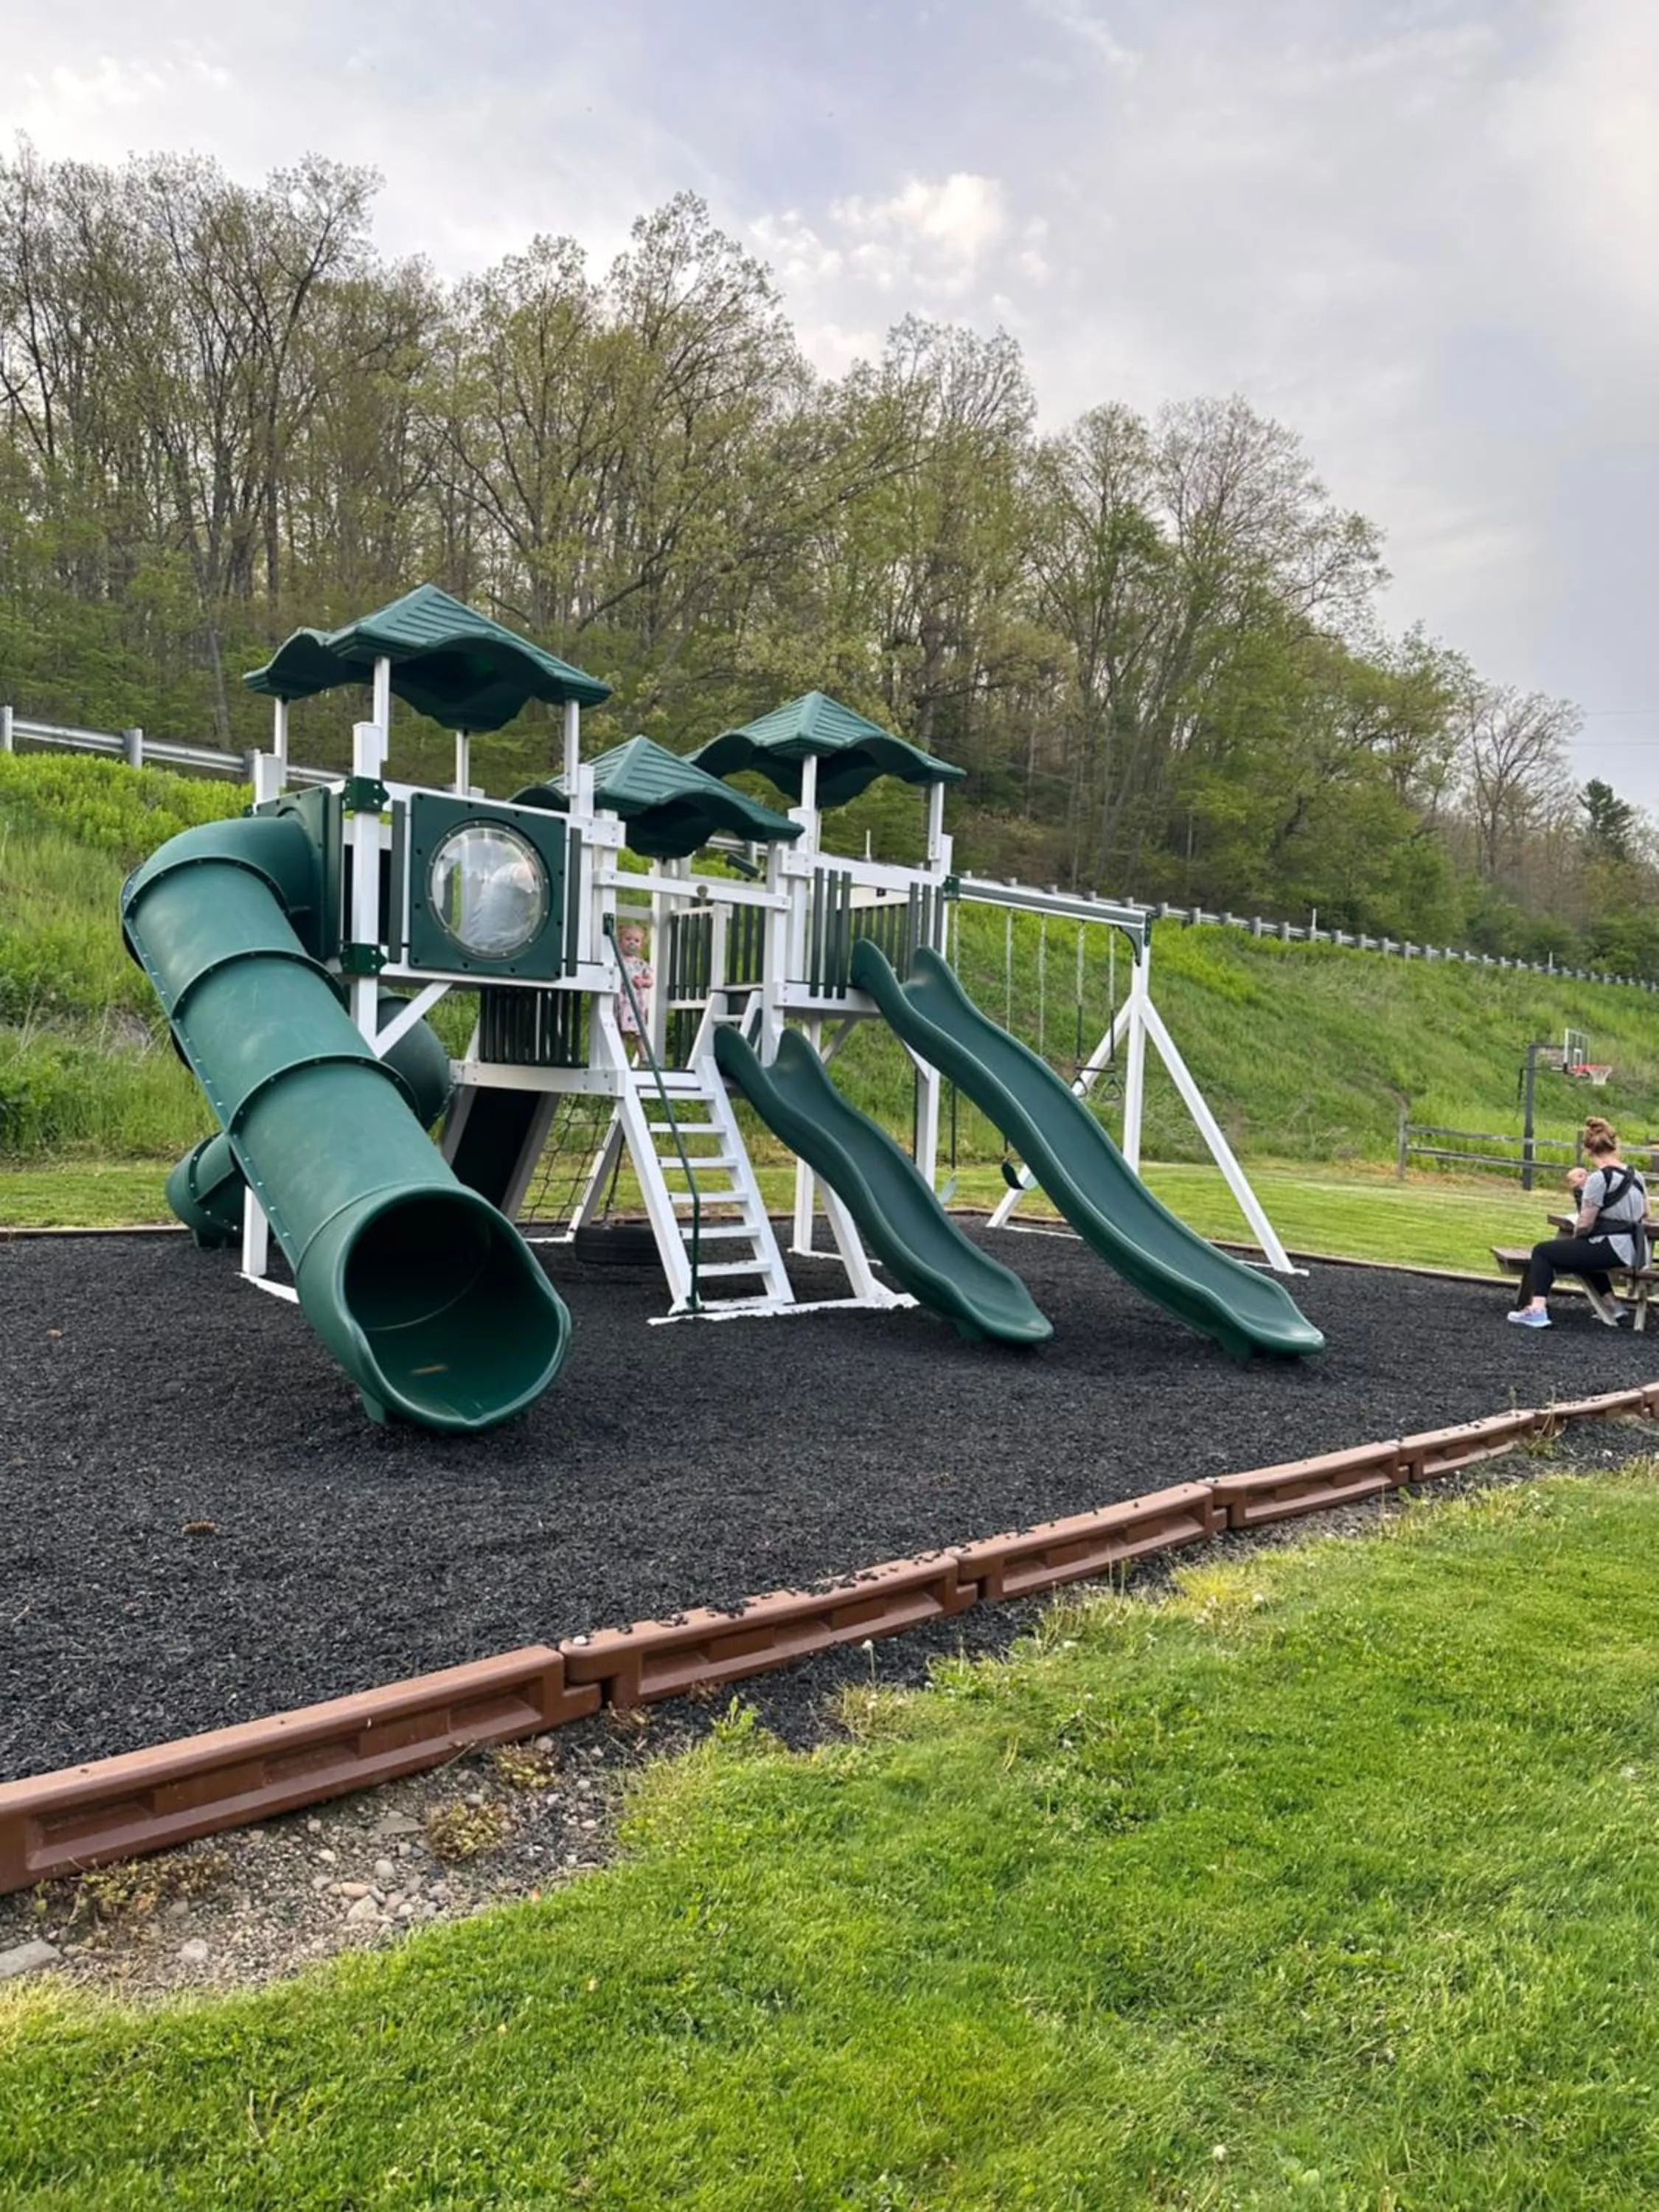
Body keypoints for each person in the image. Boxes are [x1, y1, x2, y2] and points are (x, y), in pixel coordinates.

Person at [1509, 1116, 1648, 1329]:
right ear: (1614, 1145)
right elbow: (1645, 1212)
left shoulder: (1599, 1178)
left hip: (1611, 1246)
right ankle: (1613, 1305)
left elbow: (1585, 1223)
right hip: (1635, 1249)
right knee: (1584, 1255)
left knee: (1543, 1252)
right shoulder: (1637, 1176)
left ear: (1588, 1151)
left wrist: (1578, 1232)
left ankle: (1537, 1309)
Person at [614, 922, 653, 1060]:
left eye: (636, 941)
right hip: (622, 1002)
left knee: (640, 1032)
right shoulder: (618, 961)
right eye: (628, 939)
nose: (632, 943)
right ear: (620, 942)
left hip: (636, 1003)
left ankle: (644, 1057)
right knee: (621, 1032)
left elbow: (650, 981)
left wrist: (643, 982)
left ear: (641, 945)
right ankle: (620, 1057)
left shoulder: (641, 964)